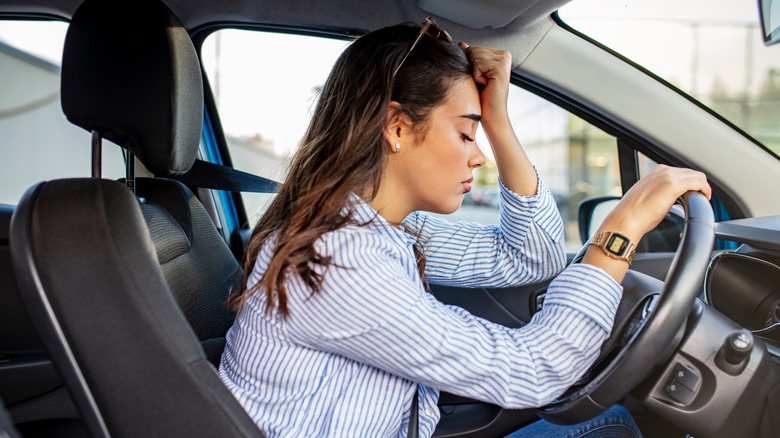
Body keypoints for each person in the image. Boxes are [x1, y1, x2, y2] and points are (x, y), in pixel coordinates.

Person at [219, 17, 710, 438]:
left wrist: (496, 118)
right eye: (464, 132)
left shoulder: (381, 228)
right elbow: (532, 371)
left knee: (613, 422)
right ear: (396, 128)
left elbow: (530, 257)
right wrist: (618, 232)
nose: (478, 155)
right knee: (616, 427)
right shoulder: (337, 259)